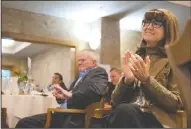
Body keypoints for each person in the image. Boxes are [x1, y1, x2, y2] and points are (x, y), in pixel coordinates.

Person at [107, 9, 183, 128]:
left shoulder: (176, 62)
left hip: (157, 120)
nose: (149, 26)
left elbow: (177, 103)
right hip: (128, 116)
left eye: (156, 23)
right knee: (119, 112)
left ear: (168, 30)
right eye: (146, 22)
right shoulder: (136, 58)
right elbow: (114, 102)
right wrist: (127, 81)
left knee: (125, 111)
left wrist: (147, 80)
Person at [15, 49, 108, 128]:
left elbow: (95, 92)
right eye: (78, 60)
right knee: (24, 122)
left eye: (83, 60)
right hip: (64, 114)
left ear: (94, 62)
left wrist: (70, 95)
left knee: (24, 123)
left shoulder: (99, 72)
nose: (79, 63)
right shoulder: (80, 77)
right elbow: (71, 98)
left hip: (75, 117)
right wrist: (62, 97)